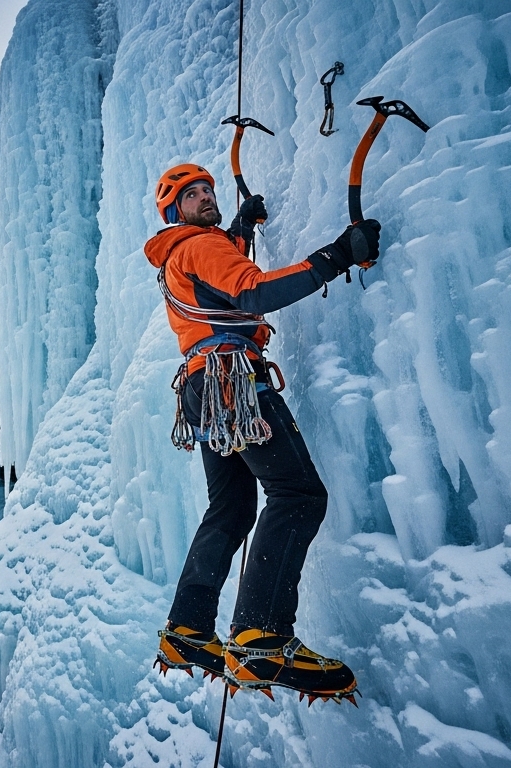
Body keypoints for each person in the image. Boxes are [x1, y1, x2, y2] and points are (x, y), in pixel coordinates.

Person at [147, 163, 379, 701]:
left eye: (208, 189)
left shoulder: (183, 253)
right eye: (193, 194)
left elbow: (221, 278)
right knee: (297, 495)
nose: (206, 197)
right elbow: (250, 293)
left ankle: (187, 628)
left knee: (230, 510)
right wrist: (336, 256)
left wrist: (243, 228)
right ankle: (261, 638)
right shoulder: (199, 246)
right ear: (173, 210)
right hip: (234, 383)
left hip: (201, 389)